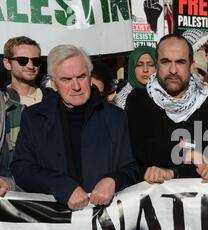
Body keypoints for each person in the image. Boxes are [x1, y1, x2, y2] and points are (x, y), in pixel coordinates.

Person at [11, 45, 139, 209]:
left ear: (90, 77)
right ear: (54, 84)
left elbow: (132, 168)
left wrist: (113, 180)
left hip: (104, 221)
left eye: (81, 76)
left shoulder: (115, 117)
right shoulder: (34, 118)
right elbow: (22, 168)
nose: (76, 86)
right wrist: (61, 186)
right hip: (53, 222)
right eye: (66, 79)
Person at [125, 34, 208, 183]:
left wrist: (174, 172)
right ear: (157, 64)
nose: (173, 70)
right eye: (165, 62)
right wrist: (189, 153)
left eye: (180, 62)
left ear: (191, 65)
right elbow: (143, 148)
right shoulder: (139, 99)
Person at [2, 36, 49, 150]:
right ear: (8, 63)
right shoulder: (2, 101)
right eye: (22, 60)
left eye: (35, 61)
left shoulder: (53, 98)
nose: (30, 66)